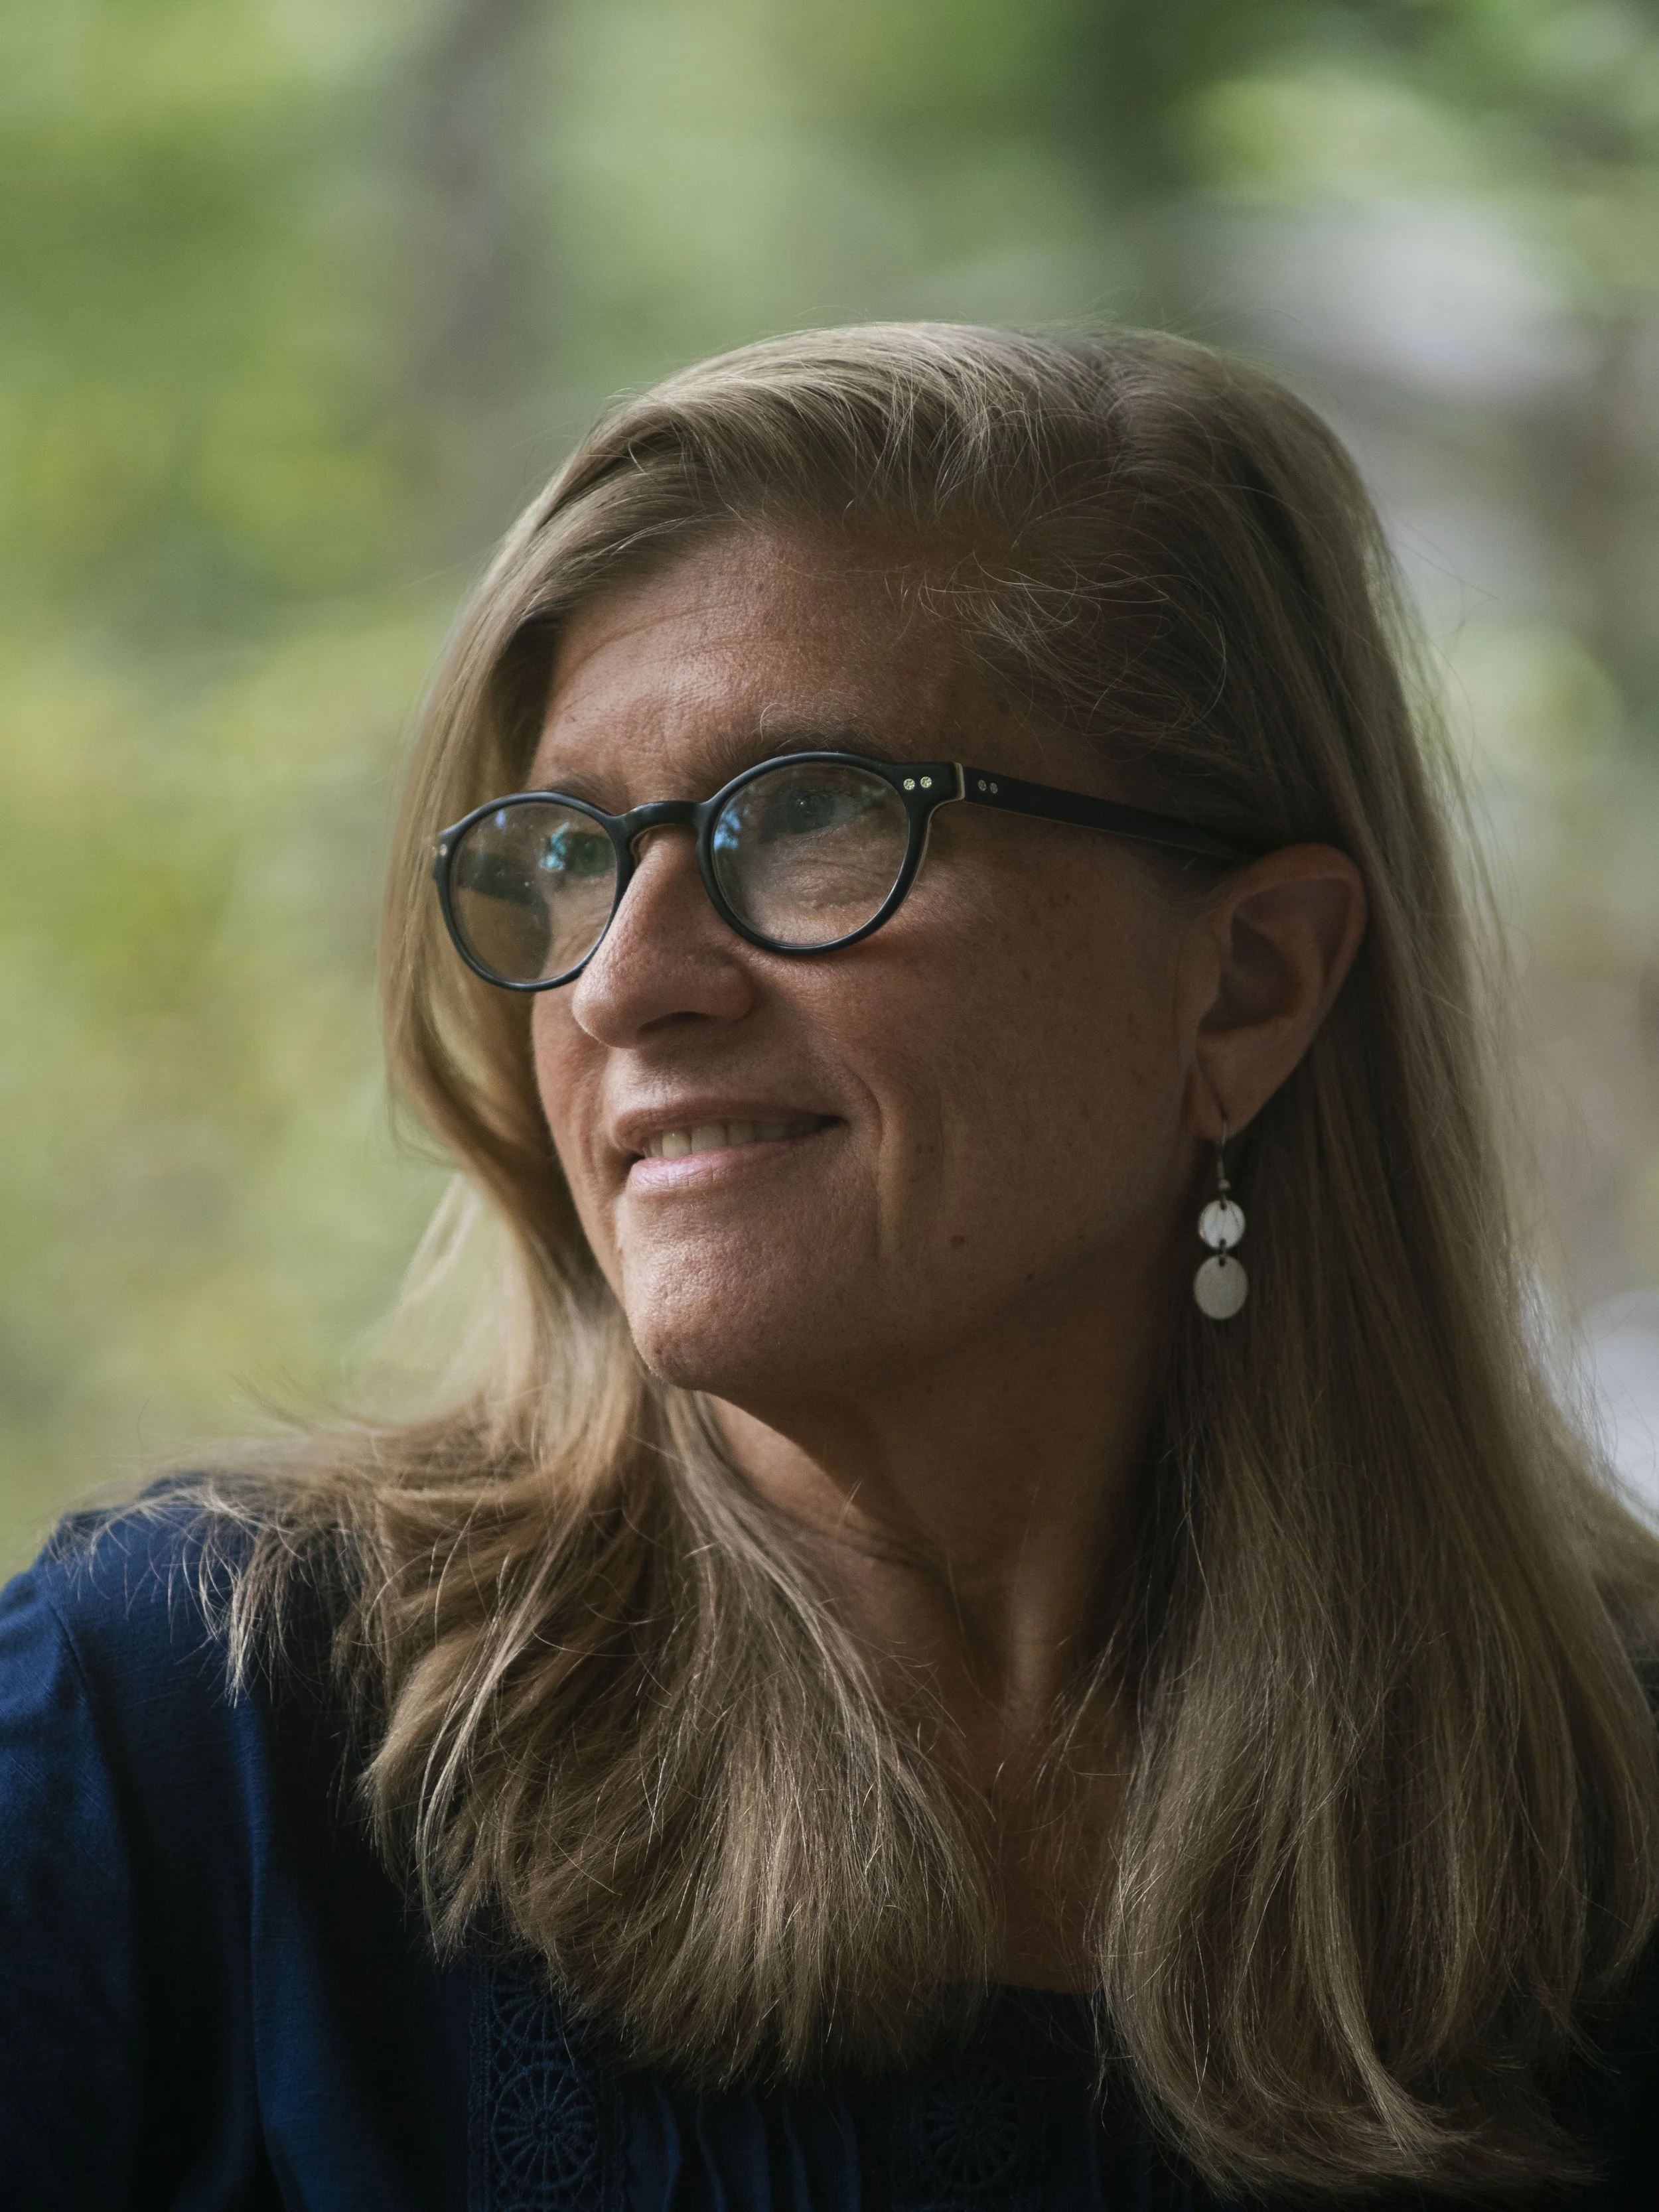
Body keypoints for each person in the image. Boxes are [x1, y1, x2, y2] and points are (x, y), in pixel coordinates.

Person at [3, 324, 1658, 2211]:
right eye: (568, 852)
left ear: (1250, 978)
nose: (622, 979)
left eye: (807, 816)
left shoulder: (1611, 1834)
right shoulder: (175, 1744)